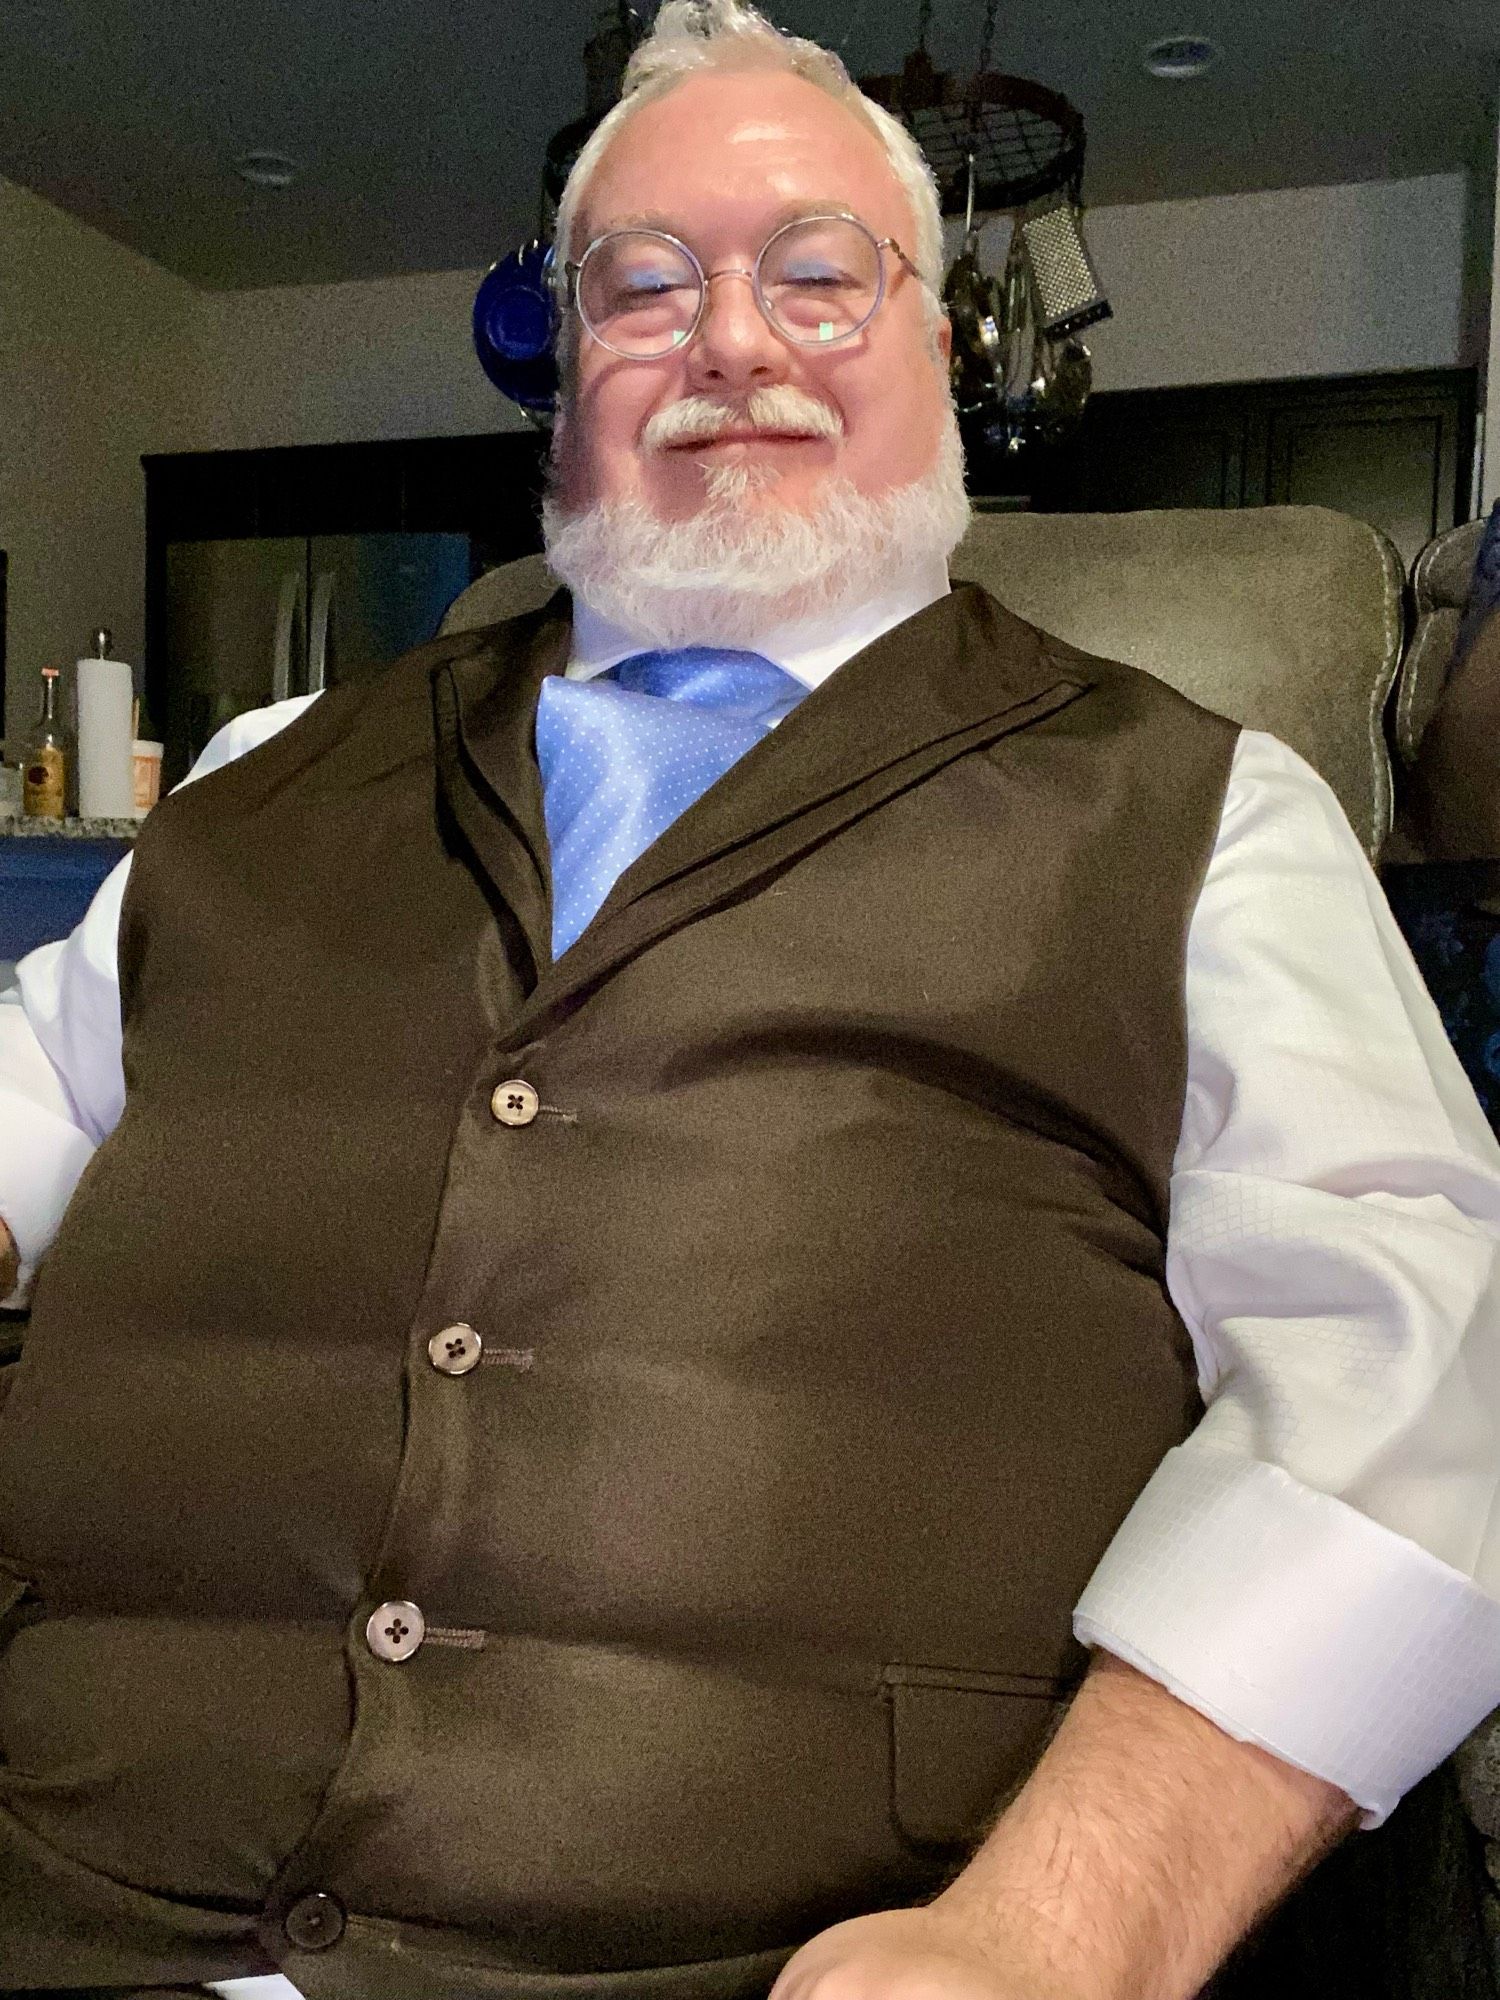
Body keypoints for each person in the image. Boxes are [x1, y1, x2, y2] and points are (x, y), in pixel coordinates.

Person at [2, 5, 1499, 1996]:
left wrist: (1061, 1930)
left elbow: (1430, 1367)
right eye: (644, 284)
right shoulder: (265, 773)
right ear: (563, 388)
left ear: (936, 356)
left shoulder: (1201, 815)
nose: (728, 340)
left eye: (815, 272)